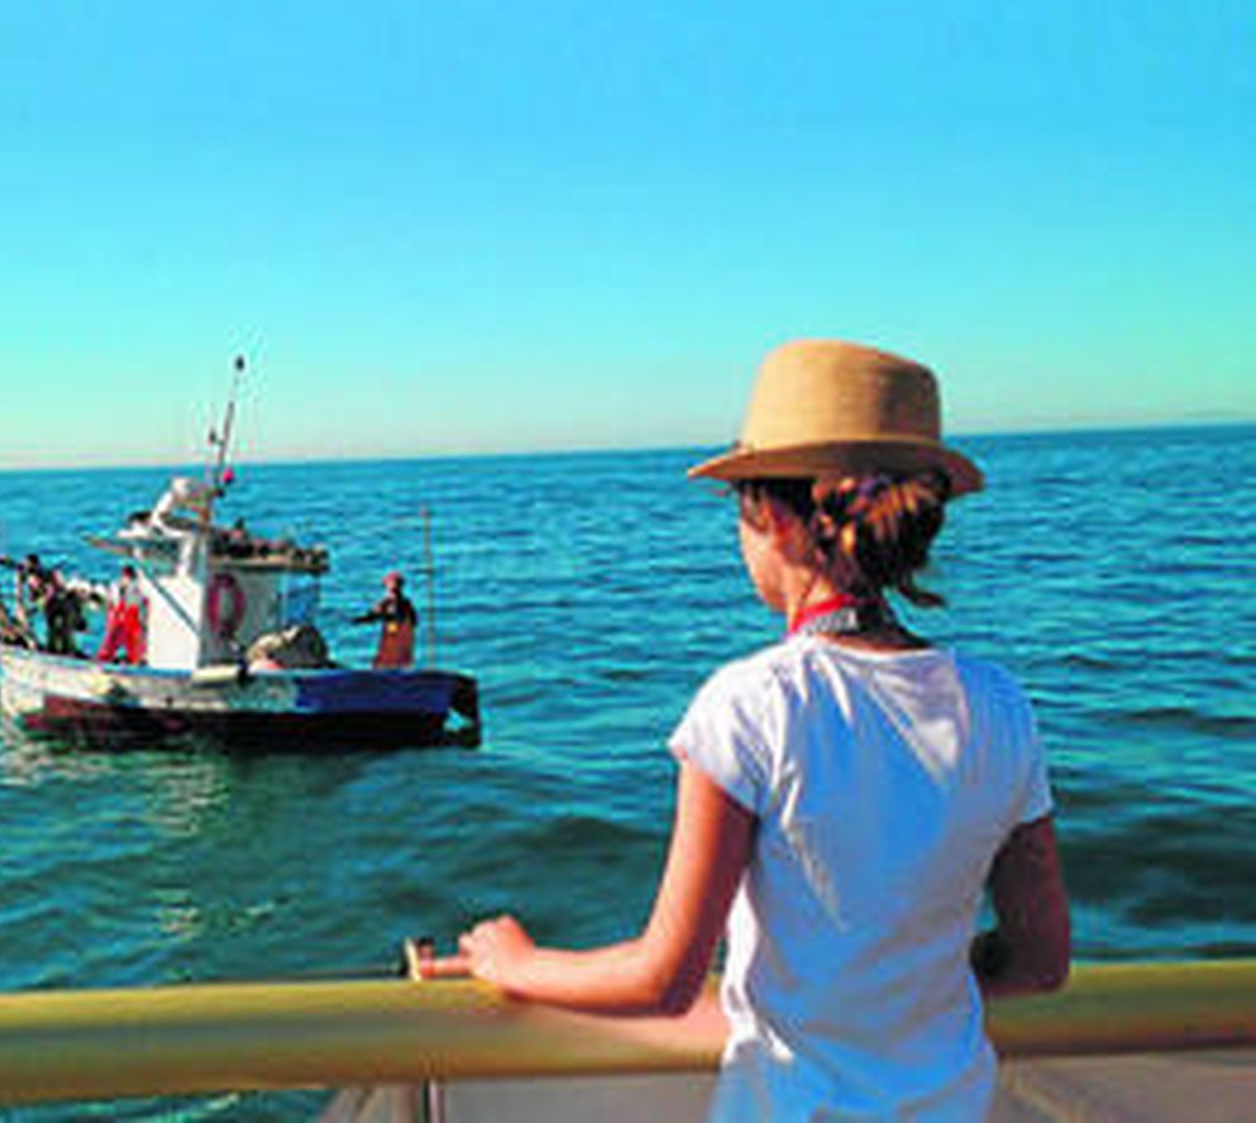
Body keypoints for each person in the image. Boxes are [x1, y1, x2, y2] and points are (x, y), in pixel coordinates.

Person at [437, 340, 1070, 1121]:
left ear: (768, 514)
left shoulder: (752, 704)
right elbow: (1041, 958)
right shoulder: (998, 702)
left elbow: (664, 979)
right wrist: (913, 980)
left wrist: (518, 962)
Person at [352, 571, 418, 668]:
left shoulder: (394, 603)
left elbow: (375, 615)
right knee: (396, 653)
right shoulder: (401, 603)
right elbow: (414, 620)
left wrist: (363, 619)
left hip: (396, 630)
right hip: (396, 630)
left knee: (392, 653)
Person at [97, 563, 147, 665]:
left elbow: (134, 613)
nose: (121, 580)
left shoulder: (132, 593)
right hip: (127, 625)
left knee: (116, 644)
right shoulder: (128, 591)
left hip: (128, 625)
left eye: (123, 577)